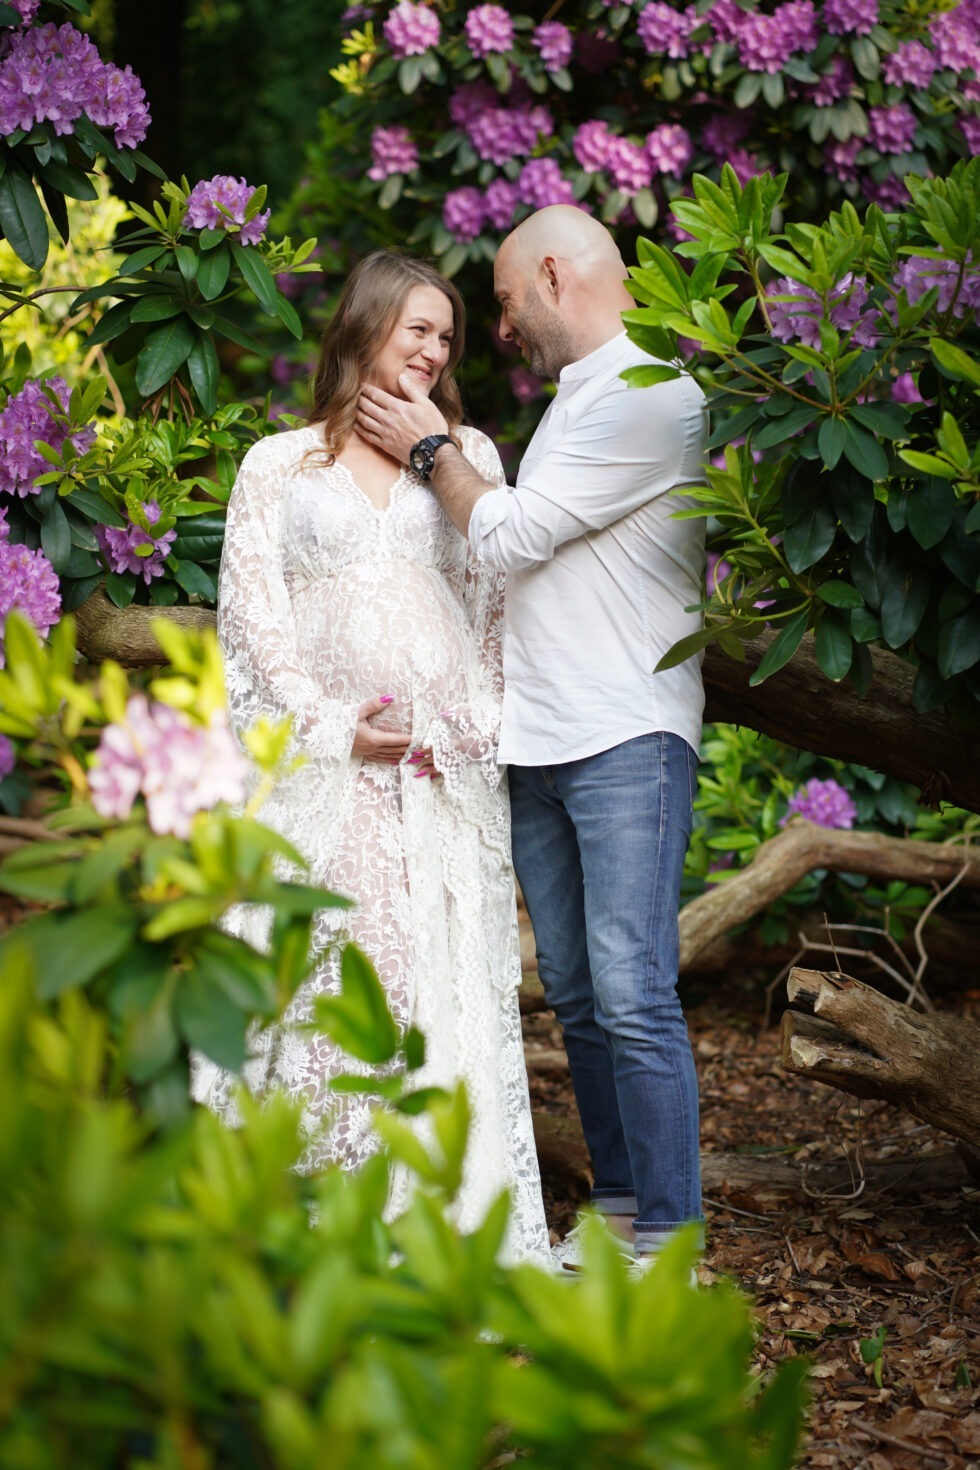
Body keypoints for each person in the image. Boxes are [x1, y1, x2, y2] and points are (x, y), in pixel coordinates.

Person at [356, 205, 708, 1272]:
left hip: (624, 734)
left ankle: (672, 1240)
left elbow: (507, 535)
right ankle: (616, 1211)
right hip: (538, 738)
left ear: (554, 276)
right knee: (577, 992)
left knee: (632, 984)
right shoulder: (568, 405)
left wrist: (424, 448)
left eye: (504, 305)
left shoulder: (655, 394)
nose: (499, 329)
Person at [191, 250, 551, 1266]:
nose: (435, 350)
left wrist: (468, 728)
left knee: (429, 974)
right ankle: (313, 1206)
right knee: (332, 965)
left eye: (448, 335)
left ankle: (425, 1217)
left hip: (437, 770)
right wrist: (328, 721)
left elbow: (492, 611)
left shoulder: (468, 450)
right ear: (363, 330)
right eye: (418, 330)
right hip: (329, 764)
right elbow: (251, 621)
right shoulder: (280, 464)